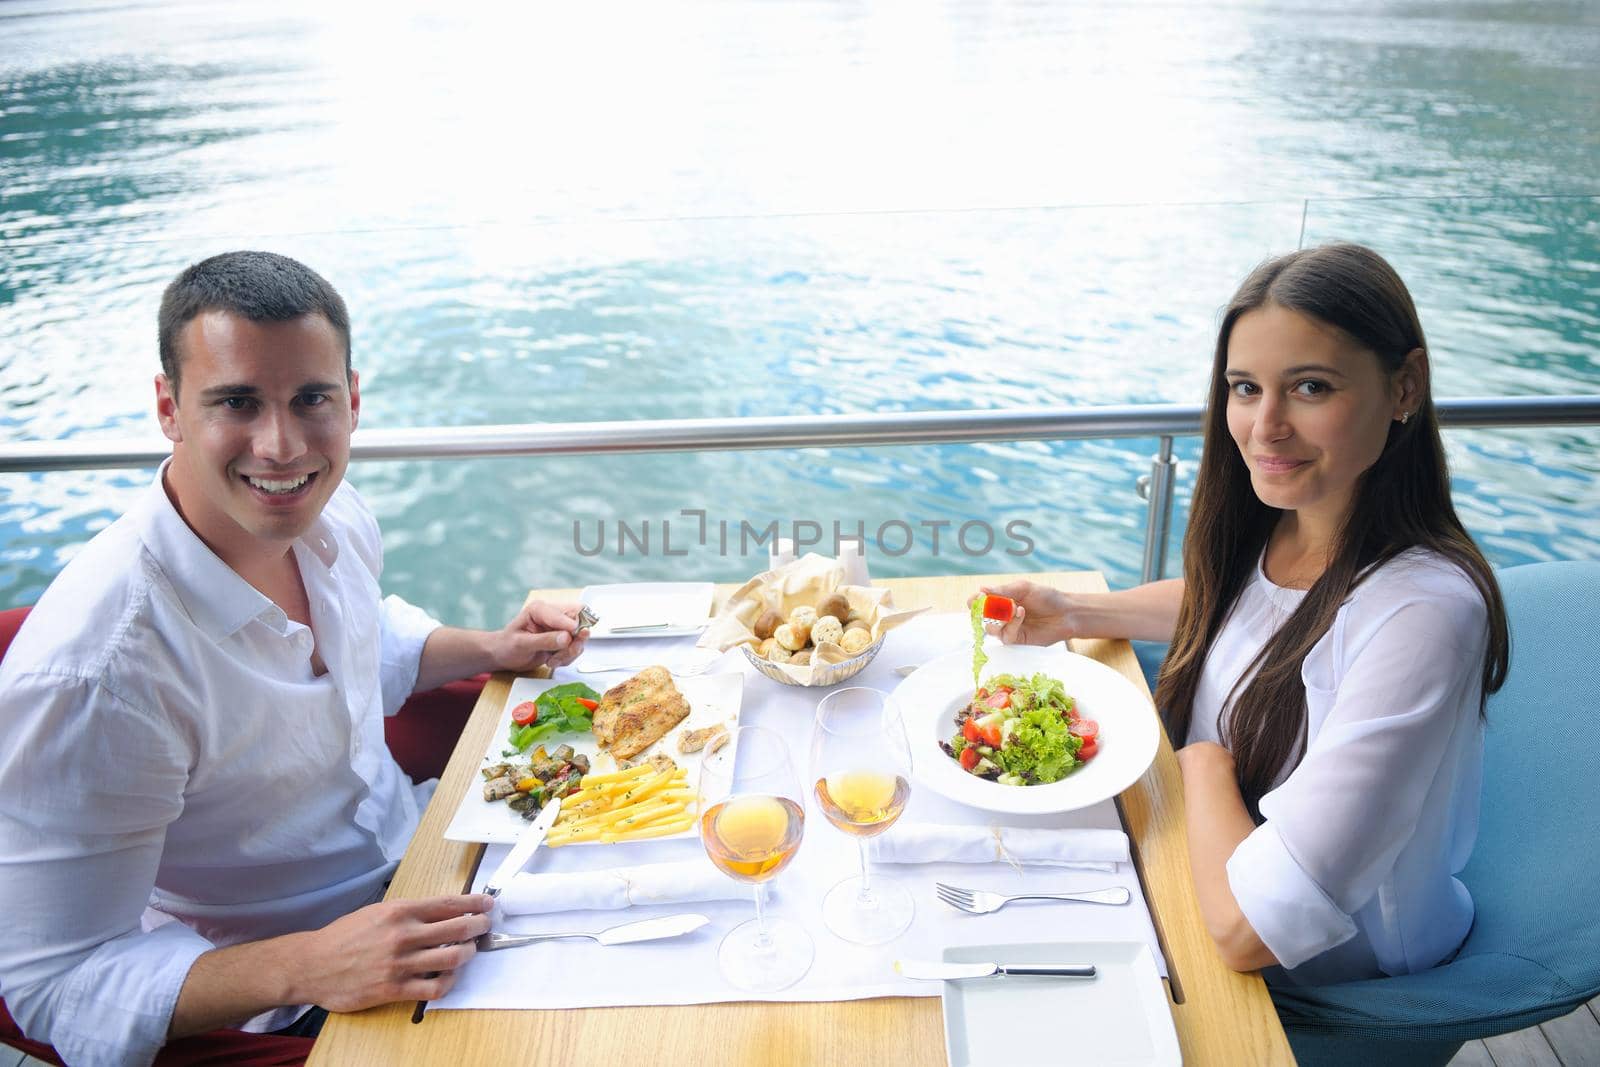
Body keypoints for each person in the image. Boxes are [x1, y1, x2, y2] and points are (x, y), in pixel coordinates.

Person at [0, 251, 589, 1066]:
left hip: (436, 851)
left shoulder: (329, 509)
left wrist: (492, 646)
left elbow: (364, 643)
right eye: (236, 401)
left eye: (310, 399)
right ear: (169, 407)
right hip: (302, 996)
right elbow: (55, 980)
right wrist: (310, 963)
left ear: (351, 399)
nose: (280, 447)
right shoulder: (97, 673)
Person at [981, 243, 1508, 986]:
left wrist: (1198, 759)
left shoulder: (1420, 612)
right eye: (1244, 387)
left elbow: (1248, 927)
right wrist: (1073, 612)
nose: (1265, 426)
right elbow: (1244, 613)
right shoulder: (1292, 520)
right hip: (1200, 862)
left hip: (1328, 978)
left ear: (1404, 387)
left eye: (1311, 387)